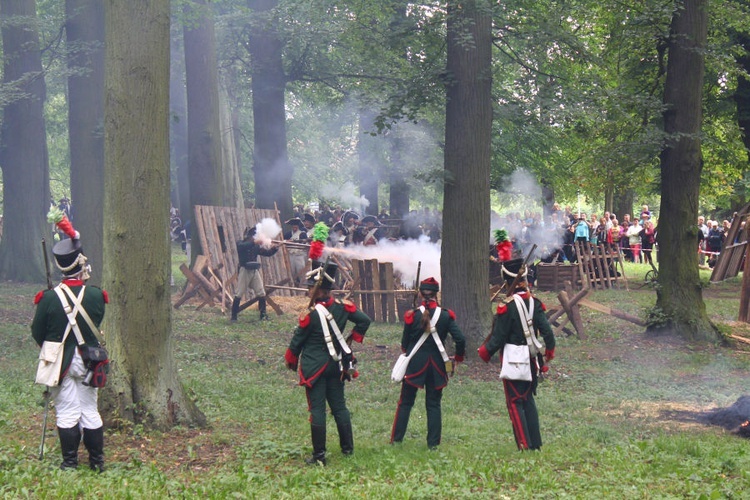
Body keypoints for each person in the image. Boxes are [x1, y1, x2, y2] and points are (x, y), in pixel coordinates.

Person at [32, 209, 108, 471]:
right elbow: (95, 322)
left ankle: (70, 464)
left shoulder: (48, 298)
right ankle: (97, 463)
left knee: (66, 411)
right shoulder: (98, 296)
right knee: (90, 409)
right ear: (81, 263)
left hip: (61, 363)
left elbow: (37, 332)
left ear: (60, 266)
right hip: (89, 362)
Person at [284, 261, 371, 465]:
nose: (307, 291)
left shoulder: (310, 315)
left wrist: (291, 360)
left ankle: (319, 456)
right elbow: (364, 320)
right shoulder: (342, 308)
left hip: (315, 367)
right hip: (336, 365)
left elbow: (297, 342)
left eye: (309, 288)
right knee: (339, 408)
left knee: (317, 410)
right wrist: (352, 337)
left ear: (318, 290)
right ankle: (348, 449)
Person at [477, 258, 555, 451]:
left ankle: (524, 444)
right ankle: (535, 443)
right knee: (527, 399)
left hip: (514, 358)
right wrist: (549, 352)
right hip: (532, 358)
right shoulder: (535, 303)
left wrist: (485, 352)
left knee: (514, 402)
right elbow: (547, 332)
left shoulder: (507, 306)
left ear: (506, 279)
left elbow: (499, 336)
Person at [390, 277, 466, 449]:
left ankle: (396, 440)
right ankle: (433, 445)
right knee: (433, 404)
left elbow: (404, 344)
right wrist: (458, 358)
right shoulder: (446, 315)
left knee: (405, 402)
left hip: (415, 364)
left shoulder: (413, 315)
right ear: (436, 294)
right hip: (437, 366)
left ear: (420, 293)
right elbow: (460, 340)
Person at [230, 227, 280, 321]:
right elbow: (242, 247)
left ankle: (263, 315)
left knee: (261, 292)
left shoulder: (256, 246)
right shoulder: (241, 243)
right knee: (239, 293)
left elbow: (267, 253)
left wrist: (274, 249)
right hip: (244, 270)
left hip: (254, 270)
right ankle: (233, 316)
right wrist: (255, 242)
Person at [283, 218, 308, 286]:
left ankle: (303, 287)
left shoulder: (302, 234)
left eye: (296, 226)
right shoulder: (288, 234)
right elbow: (284, 242)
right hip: (291, 255)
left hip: (299, 255)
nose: (295, 227)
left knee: (301, 272)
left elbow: (304, 244)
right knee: (292, 272)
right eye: (293, 226)